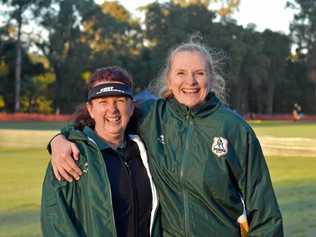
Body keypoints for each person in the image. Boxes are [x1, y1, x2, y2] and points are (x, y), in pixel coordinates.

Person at [49, 41, 283, 236]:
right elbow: (102, 118)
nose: (190, 82)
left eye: (199, 73)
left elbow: (264, 212)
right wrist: (60, 138)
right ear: (169, 79)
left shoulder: (234, 128)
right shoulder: (151, 115)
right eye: (181, 73)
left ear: (211, 78)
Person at [41, 66, 160, 237]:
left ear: (131, 107)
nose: (112, 110)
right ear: (90, 109)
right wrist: (57, 140)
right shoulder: (70, 156)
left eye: (119, 100)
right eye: (103, 102)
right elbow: (56, 226)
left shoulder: (147, 151)